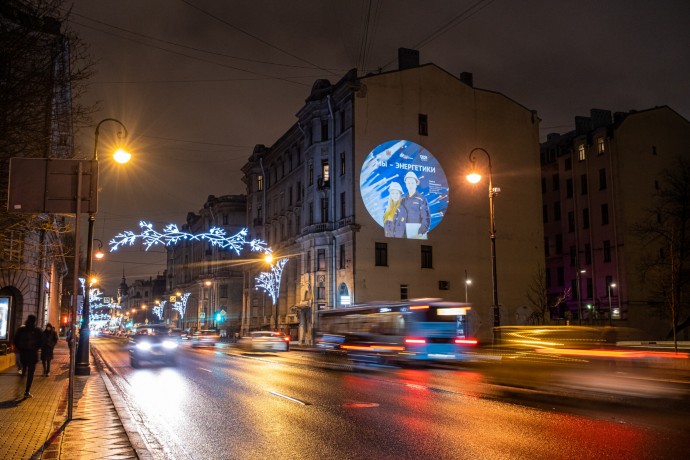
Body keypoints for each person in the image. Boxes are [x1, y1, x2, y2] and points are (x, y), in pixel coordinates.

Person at [13, 315, 43, 398]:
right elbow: (41, 342)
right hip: (32, 355)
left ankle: (19, 386)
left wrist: (21, 349)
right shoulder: (37, 331)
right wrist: (35, 348)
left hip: (23, 354)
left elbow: (15, 340)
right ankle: (27, 391)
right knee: (30, 374)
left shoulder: (21, 330)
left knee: (23, 370)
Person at [401, 171, 431, 239]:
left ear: (416, 184)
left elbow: (426, 218)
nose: (410, 185)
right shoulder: (403, 200)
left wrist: (420, 233)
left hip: (419, 233)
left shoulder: (421, 199)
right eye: (408, 183)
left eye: (412, 183)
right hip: (405, 234)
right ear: (406, 184)